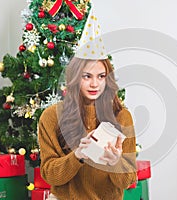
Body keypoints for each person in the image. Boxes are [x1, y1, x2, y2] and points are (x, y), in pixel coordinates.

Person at [38, 57, 137, 200]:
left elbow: (127, 182)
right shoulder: (51, 116)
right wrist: (77, 155)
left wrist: (115, 163)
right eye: (87, 76)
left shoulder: (122, 116)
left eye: (101, 76)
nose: (94, 84)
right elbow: (50, 176)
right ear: (75, 78)